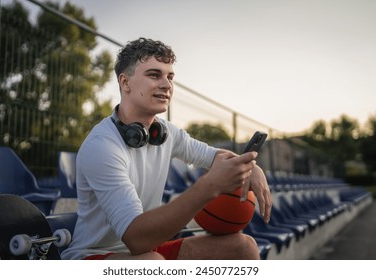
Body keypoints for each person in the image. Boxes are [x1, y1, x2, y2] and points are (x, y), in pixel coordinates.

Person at [61, 38, 272, 260]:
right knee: (153, 263)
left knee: (243, 247)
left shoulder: (165, 133)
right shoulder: (102, 146)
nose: (167, 85)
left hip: (144, 252)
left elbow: (215, 157)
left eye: (170, 77)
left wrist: (250, 166)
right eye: (154, 75)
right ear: (125, 83)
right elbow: (136, 238)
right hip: (92, 256)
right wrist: (209, 186)